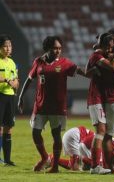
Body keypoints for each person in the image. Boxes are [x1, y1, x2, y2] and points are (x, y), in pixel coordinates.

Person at [18, 36, 86, 173]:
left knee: (56, 135)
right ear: (47, 48)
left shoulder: (64, 62)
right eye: (55, 48)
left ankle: (54, 166)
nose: (58, 51)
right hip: (40, 106)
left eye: (60, 48)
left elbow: (78, 70)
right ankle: (44, 158)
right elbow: (29, 79)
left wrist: (93, 75)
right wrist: (20, 97)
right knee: (35, 132)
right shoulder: (38, 62)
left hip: (57, 107)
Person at [85, 33, 114, 174]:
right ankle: (95, 166)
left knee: (102, 132)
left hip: (100, 99)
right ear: (102, 45)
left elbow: (86, 71)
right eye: (108, 47)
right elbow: (113, 66)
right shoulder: (97, 56)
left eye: (112, 48)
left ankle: (98, 165)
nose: (110, 50)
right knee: (101, 131)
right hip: (95, 98)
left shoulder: (97, 54)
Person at [47, 126, 114, 172]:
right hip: (80, 138)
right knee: (79, 166)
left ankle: (51, 159)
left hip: (79, 138)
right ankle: (52, 159)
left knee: (74, 165)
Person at [0, 34, 19, 166]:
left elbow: (16, 79)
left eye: (9, 46)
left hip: (10, 96)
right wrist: (7, 80)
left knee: (8, 128)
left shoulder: (12, 62)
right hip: (0, 95)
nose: (8, 48)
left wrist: (15, 84)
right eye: (5, 46)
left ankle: (7, 160)